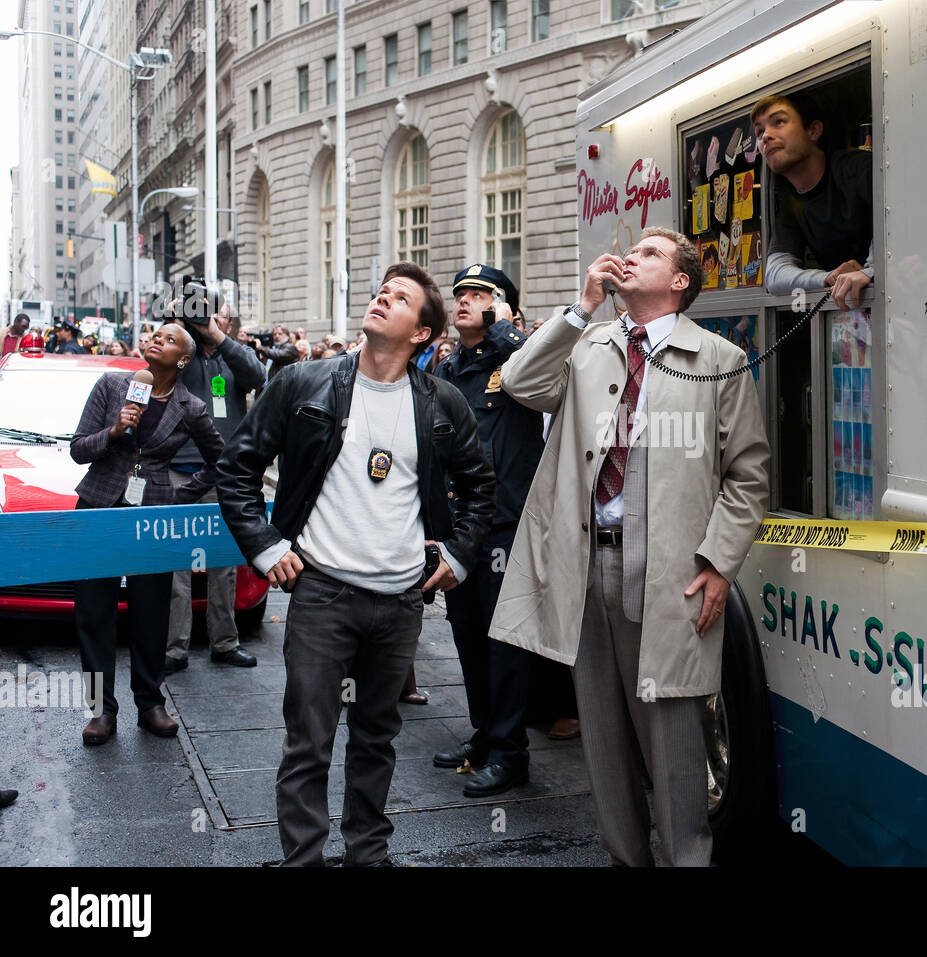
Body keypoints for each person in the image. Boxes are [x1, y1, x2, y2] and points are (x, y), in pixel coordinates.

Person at [490, 227, 770, 866]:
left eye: (648, 253)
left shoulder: (720, 360)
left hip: (672, 571)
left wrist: (719, 563)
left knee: (672, 737)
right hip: (587, 565)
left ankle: (685, 859)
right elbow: (520, 383)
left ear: (679, 282)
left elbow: (748, 475)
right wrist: (580, 307)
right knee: (605, 736)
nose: (629, 255)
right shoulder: (590, 344)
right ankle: (625, 858)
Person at [216, 261, 495, 867]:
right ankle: (304, 859)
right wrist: (266, 546)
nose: (381, 300)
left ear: (421, 332)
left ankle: (368, 852)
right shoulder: (303, 383)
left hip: (400, 604)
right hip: (321, 595)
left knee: (377, 739)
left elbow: (480, 488)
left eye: (399, 299)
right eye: (380, 292)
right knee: (309, 743)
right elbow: (237, 467)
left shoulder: (442, 402)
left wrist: (459, 555)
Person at [70, 324, 225, 746]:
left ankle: (150, 702)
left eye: (170, 339)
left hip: (153, 514)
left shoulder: (191, 406)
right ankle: (101, 710)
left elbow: (220, 461)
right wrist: (116, 431)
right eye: (155, 334)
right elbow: (79, 448)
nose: (158, 339)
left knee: (151, 610)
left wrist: (180, 495)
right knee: (93, 612)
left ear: (183, 360)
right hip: (99, 507)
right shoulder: (112, 385)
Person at [431, 264, 544, 797]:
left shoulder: (519, 359)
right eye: (460, 294)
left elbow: (540, 367)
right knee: (468, 635)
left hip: (505, 525)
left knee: (504, 644)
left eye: (479, 294)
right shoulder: (450, 368)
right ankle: (484, 732)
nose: (464, 301)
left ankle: (510, 750)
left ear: (503, 307)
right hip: (460, 527)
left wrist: (503, 324)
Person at [161, 292, 267, 675]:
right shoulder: (182, 352)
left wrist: (218, 338)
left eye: (217, 317)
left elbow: (260, 378)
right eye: (204, 316)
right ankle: (175, 649)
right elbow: (158, 364)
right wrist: (175, 323)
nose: (208, 321)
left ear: (227, 323)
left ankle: (225, 642)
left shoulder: (234, 356)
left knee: (224, 563)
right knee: (179, 567)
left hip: (224, 475)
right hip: (179, 472)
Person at [752, 91, 873, 311]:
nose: (765, 136)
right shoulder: (791, 203)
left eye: (778, 122)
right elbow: (775, 273)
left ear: (813, 130)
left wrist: (870, 272)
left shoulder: (860, 170)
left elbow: (902, 230)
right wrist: (827, 278)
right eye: (759, 131)